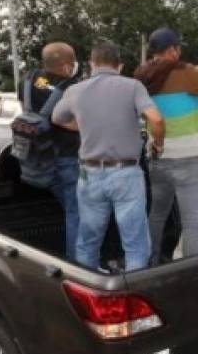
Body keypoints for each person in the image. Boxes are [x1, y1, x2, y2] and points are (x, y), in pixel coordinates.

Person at [52, 39, 165, 270]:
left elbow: (56, 119)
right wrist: (159, 144)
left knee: (88, 241)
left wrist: (83, 126)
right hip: (126, 173)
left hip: (89, 174)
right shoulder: (132, 86)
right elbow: (156, 119)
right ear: (120, 65)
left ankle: (87, 291)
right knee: (135, 244)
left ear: (91, 64)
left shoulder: (74, 90)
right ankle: (134, 295)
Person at [134, 28, 198, 264]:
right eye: (179, 48)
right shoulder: (185, 73)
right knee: (193, 222)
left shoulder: (141, 74)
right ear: (173, 50)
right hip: (187, 158)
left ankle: (150, 262)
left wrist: (197, 71)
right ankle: (192, 273)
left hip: (157, 157)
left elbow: (171, 84)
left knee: (157, 215)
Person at [17, 42, 81, 260]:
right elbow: (77, 122)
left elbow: (27, 114)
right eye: (72, 63)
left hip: (33, 159)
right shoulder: (71, 88)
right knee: (76, 213)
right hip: (65, 158)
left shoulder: (27, 79)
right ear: (65, 66)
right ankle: (77, 264)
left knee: (68, 208)